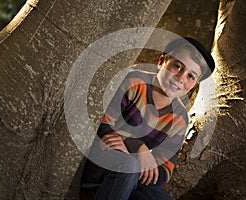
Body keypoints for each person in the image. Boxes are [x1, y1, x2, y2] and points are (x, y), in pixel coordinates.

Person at [79, 37, 215, 200]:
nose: (180, 78)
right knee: (129, 165)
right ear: (161, 62)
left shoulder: (179, 118)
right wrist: (139, 149)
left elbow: (164, 170)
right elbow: (102, 125)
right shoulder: (133, 81)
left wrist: (141, 161)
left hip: (130, 179)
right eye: (177, 66)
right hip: (98, 160)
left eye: (191, 76)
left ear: (193, 86)